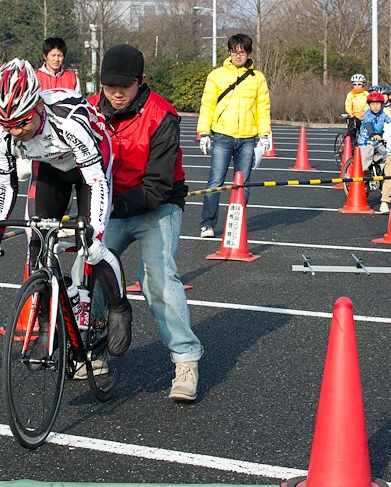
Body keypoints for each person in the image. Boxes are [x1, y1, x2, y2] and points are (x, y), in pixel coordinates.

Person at [0, 58, 132, 357]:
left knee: (91, 247)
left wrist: (93, 230)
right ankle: (49, 323)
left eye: (22, 122)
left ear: (37, 106)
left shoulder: (69, 120)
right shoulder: (0, 137)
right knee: (36, 249)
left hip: (90, 164)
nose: (15, 132)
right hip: (50, 167)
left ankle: (119, 307)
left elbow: (96, 182)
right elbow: (5, 183)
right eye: (6, 125)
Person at [89, 44, 204, 401]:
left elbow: (156, 187)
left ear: (141, 81)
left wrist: (108, 207)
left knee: (158, 280)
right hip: (109, 204)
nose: (117, 93)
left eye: (125, 85)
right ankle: (92, 349)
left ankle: (186, 360)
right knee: (87, 269)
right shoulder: (88, 111)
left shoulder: (163, 116)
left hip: (156, 205)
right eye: (110, 86)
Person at [197, 33, 271, 239]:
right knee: (215, 181)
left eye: (243, 52)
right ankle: (207, 224)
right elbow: (207, 104)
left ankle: (236, 223)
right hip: (222, 135)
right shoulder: (217, 75)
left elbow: (263, 107)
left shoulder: (258, 78)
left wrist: (265, 134)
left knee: (243, 184)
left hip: (248, 138)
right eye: (235, 52)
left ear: (248, 53)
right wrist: (204, 132)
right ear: (229, 52)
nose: (238, 56)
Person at [357, 90, 391, 174]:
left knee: (386, 154)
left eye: (378, 104)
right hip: (366, 141)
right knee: (366, 159)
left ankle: (380, 170)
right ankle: (365, 178)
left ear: (381, 105)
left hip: (377, 140)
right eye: (372, 104)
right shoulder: (368, 114)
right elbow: (369, 125)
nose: (375, 107)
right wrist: (372, 134)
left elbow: (390, 122)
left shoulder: (382, 114)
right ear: (369, 105)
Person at [344, 73, 368, 141]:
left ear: (363, 84)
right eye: (355, 84)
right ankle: (350, 145)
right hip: (354, 117)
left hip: (364, 117)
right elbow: (348, 106)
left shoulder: (366, 94)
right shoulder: (350, 94)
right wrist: (352, 116)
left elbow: (369, 106)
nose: (357, 86)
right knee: (352, 132)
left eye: (359, 84)